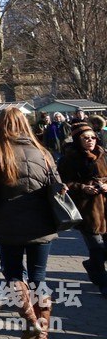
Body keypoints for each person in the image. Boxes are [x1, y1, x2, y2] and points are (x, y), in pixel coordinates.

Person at [0, 107, 65, 339]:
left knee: (13, 276)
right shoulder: (43, 152)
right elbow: (56, 186)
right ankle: (42, 337)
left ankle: (31, 321)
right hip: (42, 224)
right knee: (39, 278)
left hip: (9, 224)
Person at [57, 122, 107, 296]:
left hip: (105, 206)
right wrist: (83, 187)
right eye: (86, 138)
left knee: (103, 249)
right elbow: (62, 183)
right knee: (97, 248)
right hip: (87, 210)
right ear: (78, 139)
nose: (91, 140)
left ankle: (91, 265)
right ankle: (103, 282)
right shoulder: (69, 158)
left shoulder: (103, 154)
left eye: (93, 137)